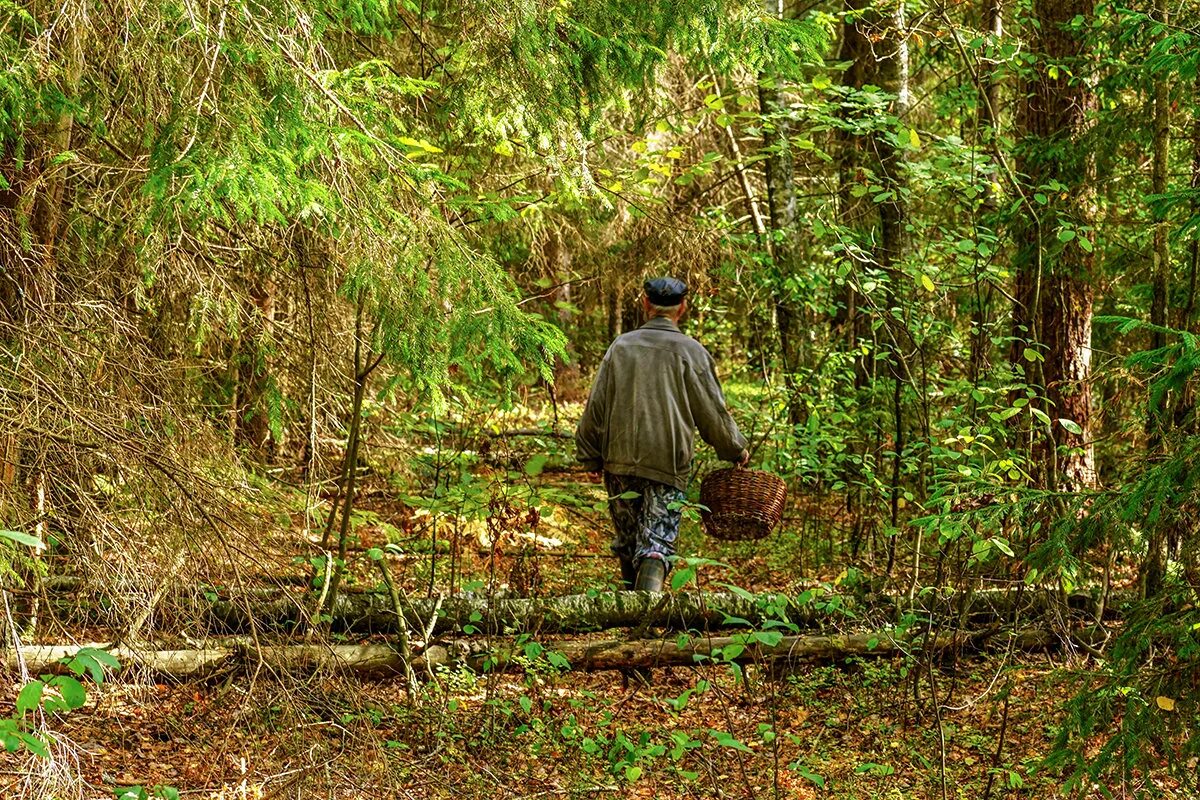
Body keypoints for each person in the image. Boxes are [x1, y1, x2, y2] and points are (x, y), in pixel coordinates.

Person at [575, 277, 749, 592]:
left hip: (619, 462)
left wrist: (589, 454)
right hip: (667, 465)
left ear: (645, 304)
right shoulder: (691, 352)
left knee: (628, 543)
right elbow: (712, 412)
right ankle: (642, 627)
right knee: (656, 543)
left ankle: (631, 623)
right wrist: (735, 449)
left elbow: (597, 405)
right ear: (682, 308)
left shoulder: (621, 347)